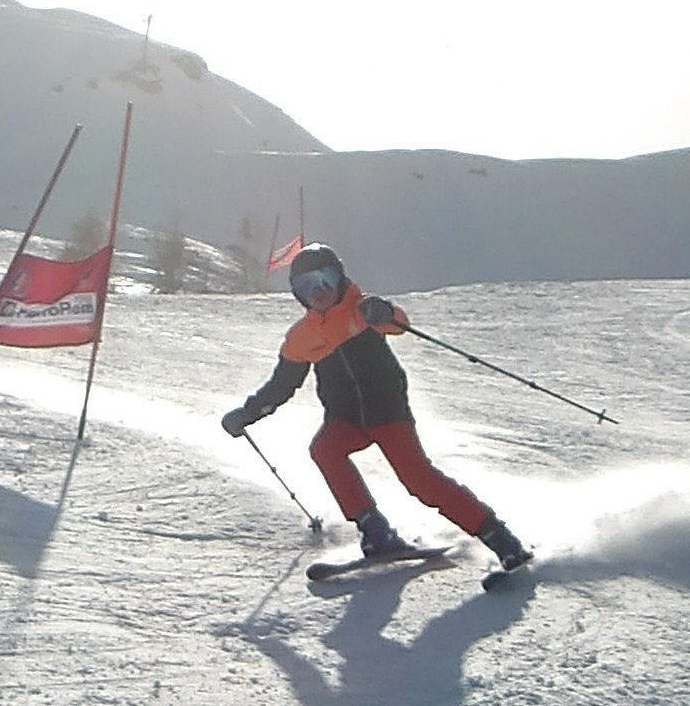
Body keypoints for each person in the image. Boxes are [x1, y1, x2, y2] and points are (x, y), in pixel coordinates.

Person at [219, 243, 531, 571]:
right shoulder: (301, 337)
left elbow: (397, 323)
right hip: (345, 418)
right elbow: (282, 384)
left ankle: (501, 539)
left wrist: (384, 313)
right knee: (325, 449)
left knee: (419, 481)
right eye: (307, 286)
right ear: (297, 293)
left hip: (387, 412)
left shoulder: (361, 309)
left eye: (325, 279)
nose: (319, 291)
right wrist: (248, 413)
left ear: (340, 278)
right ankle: (375, 531)